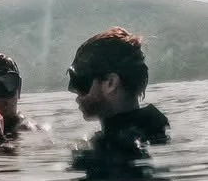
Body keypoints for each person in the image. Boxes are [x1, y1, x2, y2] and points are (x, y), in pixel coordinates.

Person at [66, 27, 169, 158]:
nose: (72, 90)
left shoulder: (114, 148)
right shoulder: (151, 128)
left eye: (80, 81)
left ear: (110, 83)